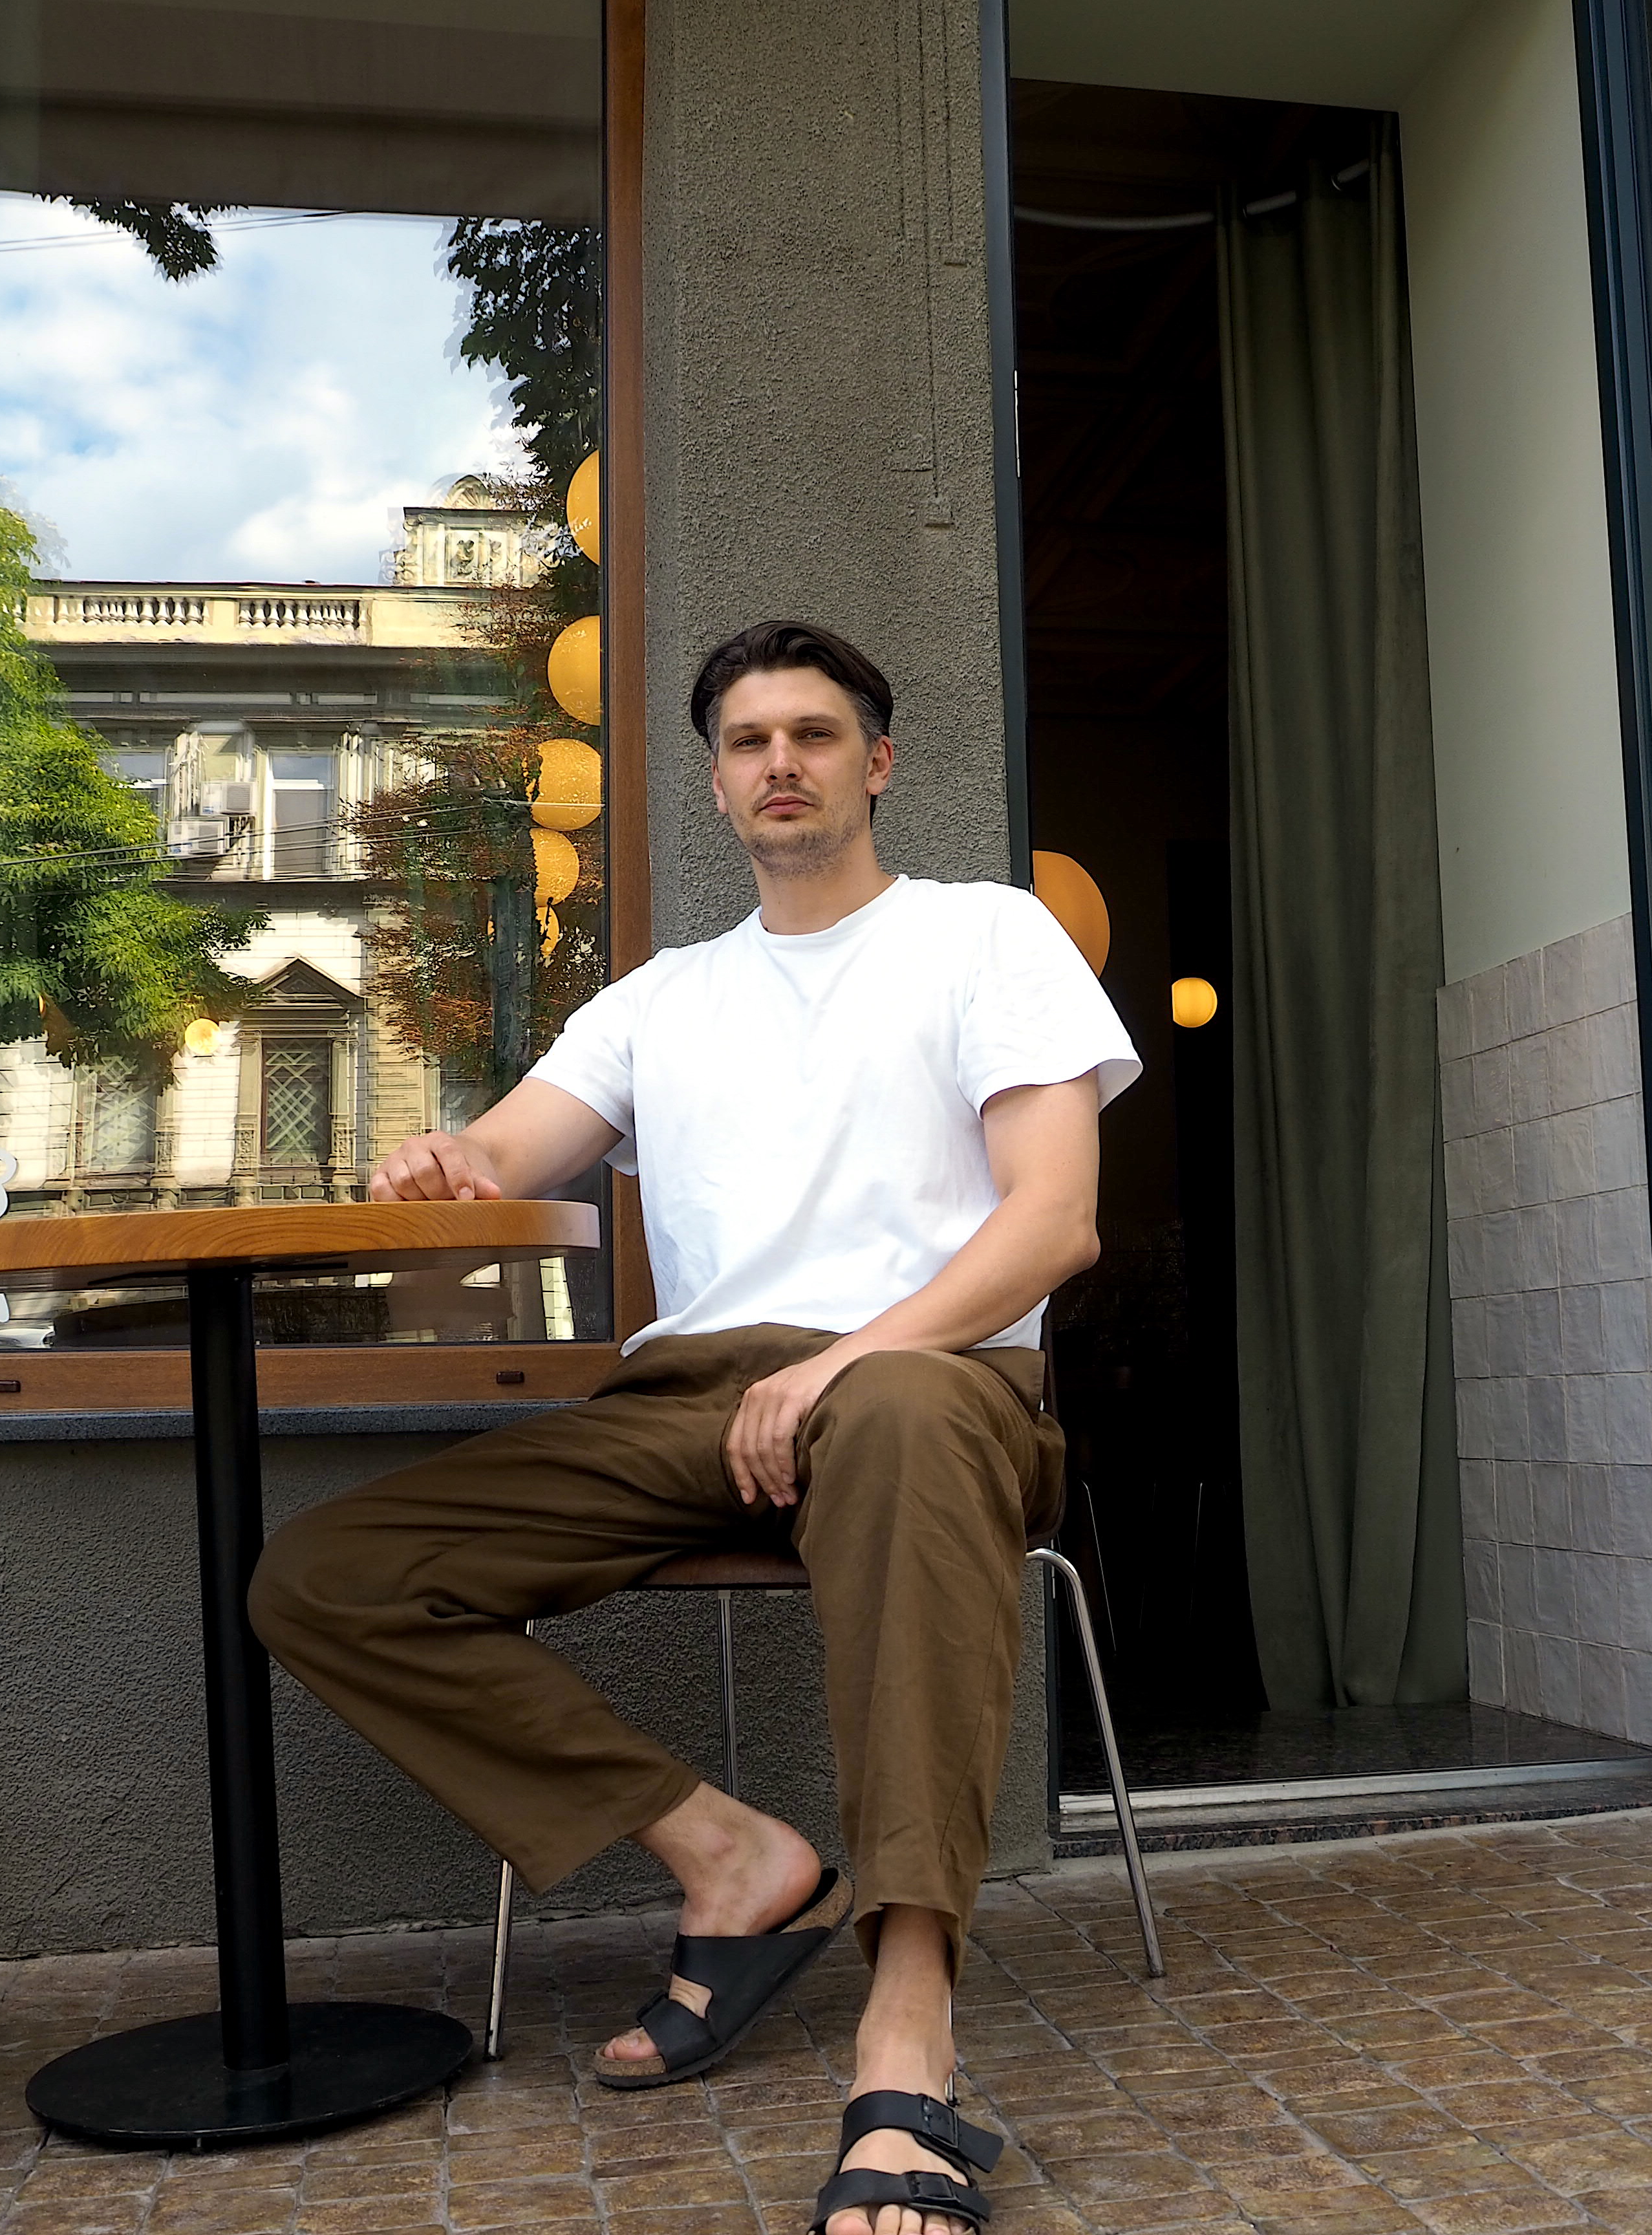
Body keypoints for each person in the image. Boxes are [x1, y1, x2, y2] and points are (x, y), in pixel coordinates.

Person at [250, 620, 1139, 2235]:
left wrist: (847, 1361)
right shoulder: (661, 999)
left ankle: (907, 2028)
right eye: (747, 741)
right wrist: (448, 1162)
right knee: (325, 1575)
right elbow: (512, 1156)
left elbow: (1055, 1222)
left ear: (878, 762)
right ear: (718, 782)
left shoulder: (986, 937)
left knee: (906, 1414)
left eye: (813, 734)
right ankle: (729, 1856)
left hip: (933, 1385)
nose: (780, 763)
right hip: (697, 1403)